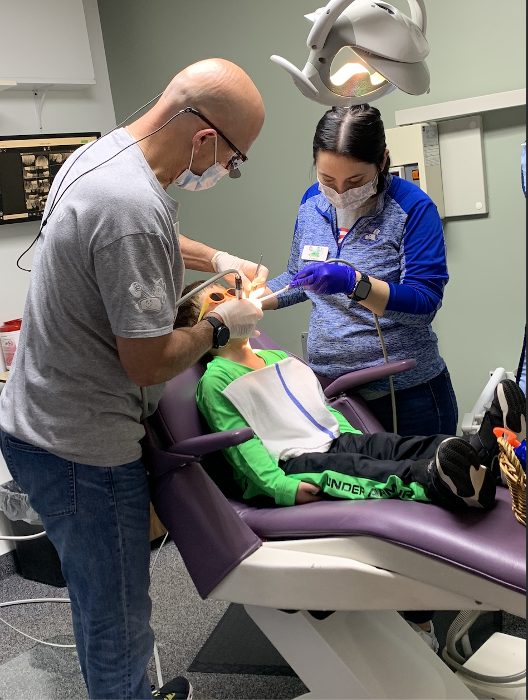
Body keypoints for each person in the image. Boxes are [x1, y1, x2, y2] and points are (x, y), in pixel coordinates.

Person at [0, 59, 267, 700]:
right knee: (118, 617)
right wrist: (222, 326)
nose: (225, 172)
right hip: (83, 452)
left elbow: (152, 236)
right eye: (234, 160)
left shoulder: (98, 157)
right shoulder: (132, 207)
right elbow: (146, 363)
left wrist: (217, 260)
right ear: (205, 138)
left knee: (101, 606)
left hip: (35, 425)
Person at [176, 281, 526, 654]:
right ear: (201, 327)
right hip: (296, 462)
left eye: (233, 292)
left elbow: (319, 410)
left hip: (332, 438)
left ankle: (484, 455)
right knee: (366, 470)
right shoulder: (215, 381)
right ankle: (441, 485)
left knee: (400, 445)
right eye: (217, 299)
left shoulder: (277, 358)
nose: (232, 299)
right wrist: (281, 487)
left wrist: (355, 435)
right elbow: (242, 447)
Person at [264, 104, 457, 438]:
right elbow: (298, 277)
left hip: (406, 397)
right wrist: (255, 299)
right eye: (327, 179)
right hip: (335, 393)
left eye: (355, 180)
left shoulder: (412, 208)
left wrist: (356, 284)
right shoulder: (312, 204)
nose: (340, 192)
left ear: (382, 161)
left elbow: (424, 304)